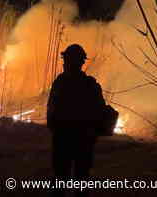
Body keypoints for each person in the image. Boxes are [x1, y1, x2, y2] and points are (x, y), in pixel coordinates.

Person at [47, 44, 106, 197]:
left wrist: (56, 129)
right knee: (81, 180)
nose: (64, 63)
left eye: (66, 60)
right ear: (82, 63)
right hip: (83, 140)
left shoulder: (60, 82)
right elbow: (100, 112)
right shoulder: (90, 85)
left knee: (60, 180)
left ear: (68, 61)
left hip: (63, 139)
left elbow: (51, 112)